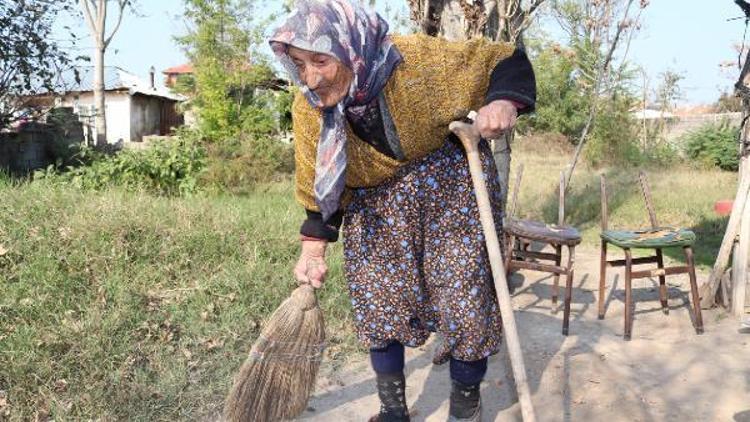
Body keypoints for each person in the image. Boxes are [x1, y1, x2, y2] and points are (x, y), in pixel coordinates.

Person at [269, 1, 536, 421]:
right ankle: (393, 412)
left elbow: (503, 59)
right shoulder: (309, 106)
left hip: (451, 188)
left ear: (351, 48)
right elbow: (320, 184)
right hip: (375, 204)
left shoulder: (417, 61)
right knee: (378, 301)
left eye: (321, 60)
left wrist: (502, 100)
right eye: (300, 63)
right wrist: (313, 248)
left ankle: (465, 407)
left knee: (465, 301)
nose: (311, 77)